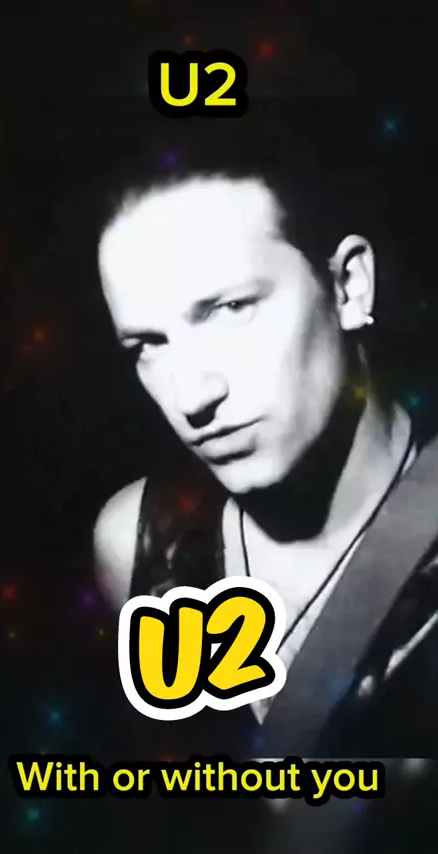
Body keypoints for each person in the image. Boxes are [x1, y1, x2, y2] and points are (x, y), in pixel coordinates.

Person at [93, 121, 438, 757]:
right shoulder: (139, 540)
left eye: (230, 310)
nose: (192, 397)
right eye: (147, 345)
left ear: (348, 286)